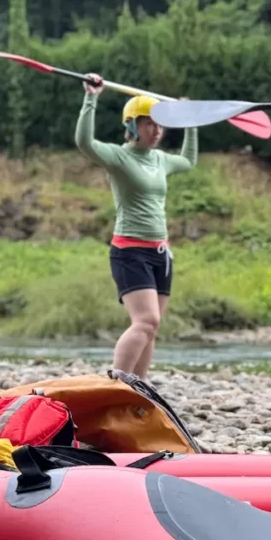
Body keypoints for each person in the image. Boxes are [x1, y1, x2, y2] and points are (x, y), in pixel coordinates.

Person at [75, 76, 198, 380]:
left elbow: (188, 161)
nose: (156, 131)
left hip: (161, 253)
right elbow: (84, 143)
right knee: (145, 321)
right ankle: (116, 382)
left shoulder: (160, 159)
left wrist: (190, 121)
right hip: (130, 252)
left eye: (159, 125)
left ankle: (139, 390)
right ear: (131, 125)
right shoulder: (118, 157)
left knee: (150, 329)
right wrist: (91, 98)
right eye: (148, 124)